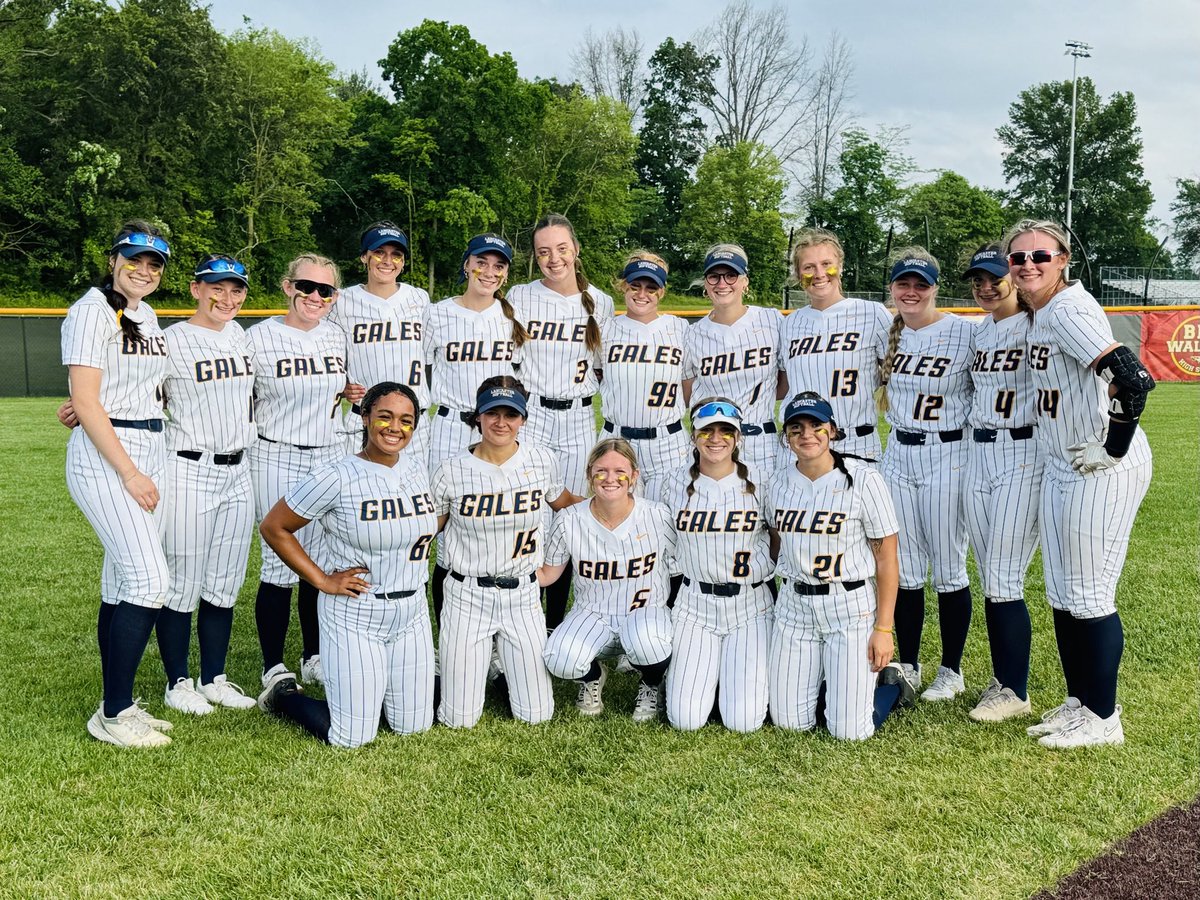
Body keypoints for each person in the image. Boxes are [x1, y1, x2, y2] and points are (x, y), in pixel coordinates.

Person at [1007, 219, 1154, 749]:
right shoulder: (1042, 312)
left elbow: (1135, 379)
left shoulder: (1068, 309)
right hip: (1065, 462)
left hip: (1099, 466)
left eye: (1039, 256)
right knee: (1064, 592)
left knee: (1088, 594)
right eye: (1018, 258)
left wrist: (1112, 447)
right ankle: (1081, 700)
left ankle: (1104, 717)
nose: (1028, 265)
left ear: (1063, 259)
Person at [257, 382, 438, 747]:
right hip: (357, 613)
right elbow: (274, 527)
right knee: (351, 737)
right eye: (384, 417)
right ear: (365, 416)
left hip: (412, 612)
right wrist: (322, 579)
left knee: (413, 726)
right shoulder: (335, 475)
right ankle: (283, 696)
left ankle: (375, 691)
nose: (394, 428)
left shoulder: (419, 469)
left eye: (406, 420)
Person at [63, 221, 174, 747]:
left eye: (155, 264)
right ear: (114, 259)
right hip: (110, 458)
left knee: (121, 582)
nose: (145, 270)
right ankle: (113, 715)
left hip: (145, 443)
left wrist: (90, 407)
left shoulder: (145, 313)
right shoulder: (91, 309)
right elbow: (86, 399)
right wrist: (129, 471)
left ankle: (119, 701)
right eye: (136, 259)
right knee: (150, 581)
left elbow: (123, 387)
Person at [431, 376, 583, 727]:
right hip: (467, 594)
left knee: (536, 716)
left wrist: (619, 508)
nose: (501, 422)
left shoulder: (541, 460)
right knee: (459, 719)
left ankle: (497, 666)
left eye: (510, 414)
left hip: (523, 595)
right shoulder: (450, 470)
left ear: (523, 419)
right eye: (492, 413)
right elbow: (427, 530)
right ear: (477, 417)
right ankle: (452, 672)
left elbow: (565, 504)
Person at [766, 393, 913, 740]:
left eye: (817, 425)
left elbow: (887, 558)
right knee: (789, 722)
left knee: (849, 731)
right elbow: (775, 542)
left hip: (849, 606)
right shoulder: (777, 483)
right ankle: (834, 683)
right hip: (795, 608)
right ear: (786, 437)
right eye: (796, 428)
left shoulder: (863, 479)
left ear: (832, 430)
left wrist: (884, 629)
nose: (807, 434)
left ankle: (889, 684)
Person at [155, 254, 258, 715]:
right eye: (217, 287)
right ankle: (177, 681)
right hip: (189, 468)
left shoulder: (240, 335)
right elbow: (134, 388)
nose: (227, 297)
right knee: (182, 582)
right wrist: (81, 407)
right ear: (196, 289)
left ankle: (213, 676)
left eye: (236, 289)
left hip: (240, 470)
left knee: (225, 580)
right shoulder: (171, 340)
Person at [247, 253, 351, 689]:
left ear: (334, 297)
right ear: (287, 286)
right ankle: (273, 664)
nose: (314, 295)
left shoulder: (336, 336)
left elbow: (338, 388)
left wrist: (349, 391)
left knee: (322, 559)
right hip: (276, 453)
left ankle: (314, 654)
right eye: (305, 286)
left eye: (324, 290)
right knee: (278, 563)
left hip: (328, 453)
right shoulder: (257, 338)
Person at [876, 248, 975, 702]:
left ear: (936, 288)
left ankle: (951, 669)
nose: (911, 292)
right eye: (903, 284)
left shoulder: (963, 331)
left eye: (921, 284)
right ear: (892, 289)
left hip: (948, 453)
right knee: (907, 567)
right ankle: (910, 663)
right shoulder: (886, 332)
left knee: (949, 569)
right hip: (898, 452)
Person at [507, 213, 614, 630]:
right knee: (527, 515)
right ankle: (521, 617)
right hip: (531, 415)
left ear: (576, 249)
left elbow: (605, 368)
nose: (554, 259)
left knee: (566, 518)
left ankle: (552, 624)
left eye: (561, 249)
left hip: (577, 416)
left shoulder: (600, 302)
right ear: (536, 258)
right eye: (544, 252)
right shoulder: (519, 295)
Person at [961, 244, 1042, 723]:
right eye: (978, 280)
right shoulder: (981, 331)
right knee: (990, 572)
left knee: (1002, 576)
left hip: (1023, 450)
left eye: (994, 278)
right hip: (980, 450)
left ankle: (1014, 687)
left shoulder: (1036, 324)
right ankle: (1004, 678)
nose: (986, 287)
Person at [540, 438, 675, 723]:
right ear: (589, 475)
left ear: (634, 475)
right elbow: (549, 574)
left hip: (645, 610)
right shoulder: (568, 519)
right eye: (601, 471)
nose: (610, 478)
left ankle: (651, 683)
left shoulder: (657, 516)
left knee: (649, 645)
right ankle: (593, 675)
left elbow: (678, 569)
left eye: (619, 471)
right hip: (592, 613)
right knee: (559, 658)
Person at [661, 398, 775, 732]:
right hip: (694, 604)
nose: (716, 438)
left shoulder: (761, 480)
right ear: (693, 434)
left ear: (738, 437)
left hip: (749, 605)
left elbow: (780, 537)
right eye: (707, 430)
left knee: (744, 722)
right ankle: (711, 679)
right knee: (685, 721)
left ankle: (728, 680)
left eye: (726, 431)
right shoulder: (672, 482)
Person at [778, 229, 892, 461]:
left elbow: (893, 373)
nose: (819, 274)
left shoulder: (872, 313)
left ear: (840, 266)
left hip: (857, 443)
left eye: (826, 263)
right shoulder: (789, 324)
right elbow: (783, 383)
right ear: (798, 274)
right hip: (803, 446)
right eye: (809, 267)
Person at [327, 222, 429, 464]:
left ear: (403, 262)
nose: (387, 260)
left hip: (414, 423)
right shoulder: (342, 301)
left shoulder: (419, 298)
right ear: (364, 257)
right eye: (379, 253)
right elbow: (324, 349)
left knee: (411, 498)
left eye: (396, 255)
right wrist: (342, 385)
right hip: (363, 420)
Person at [683, 244, 787, 476]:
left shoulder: (771, 320)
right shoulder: (693, 333)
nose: (722, 284)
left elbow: (782, 385)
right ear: (705, 283)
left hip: (762, 442)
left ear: (745, 281)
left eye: (731, 275)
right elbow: (688, 394)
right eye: (714, 276)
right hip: (714, 444)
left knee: (764, 511)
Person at [598, 253, 690, 502]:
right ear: (623, 286)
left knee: (669, 521)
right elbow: (596, 376)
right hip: (617, 439)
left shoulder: (680, 329)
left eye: (651, 288)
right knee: (618, 518)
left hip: (668, 443)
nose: (642, 294)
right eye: (635, 286)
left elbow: (688, 387)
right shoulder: (606, 330)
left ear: (661, 292)